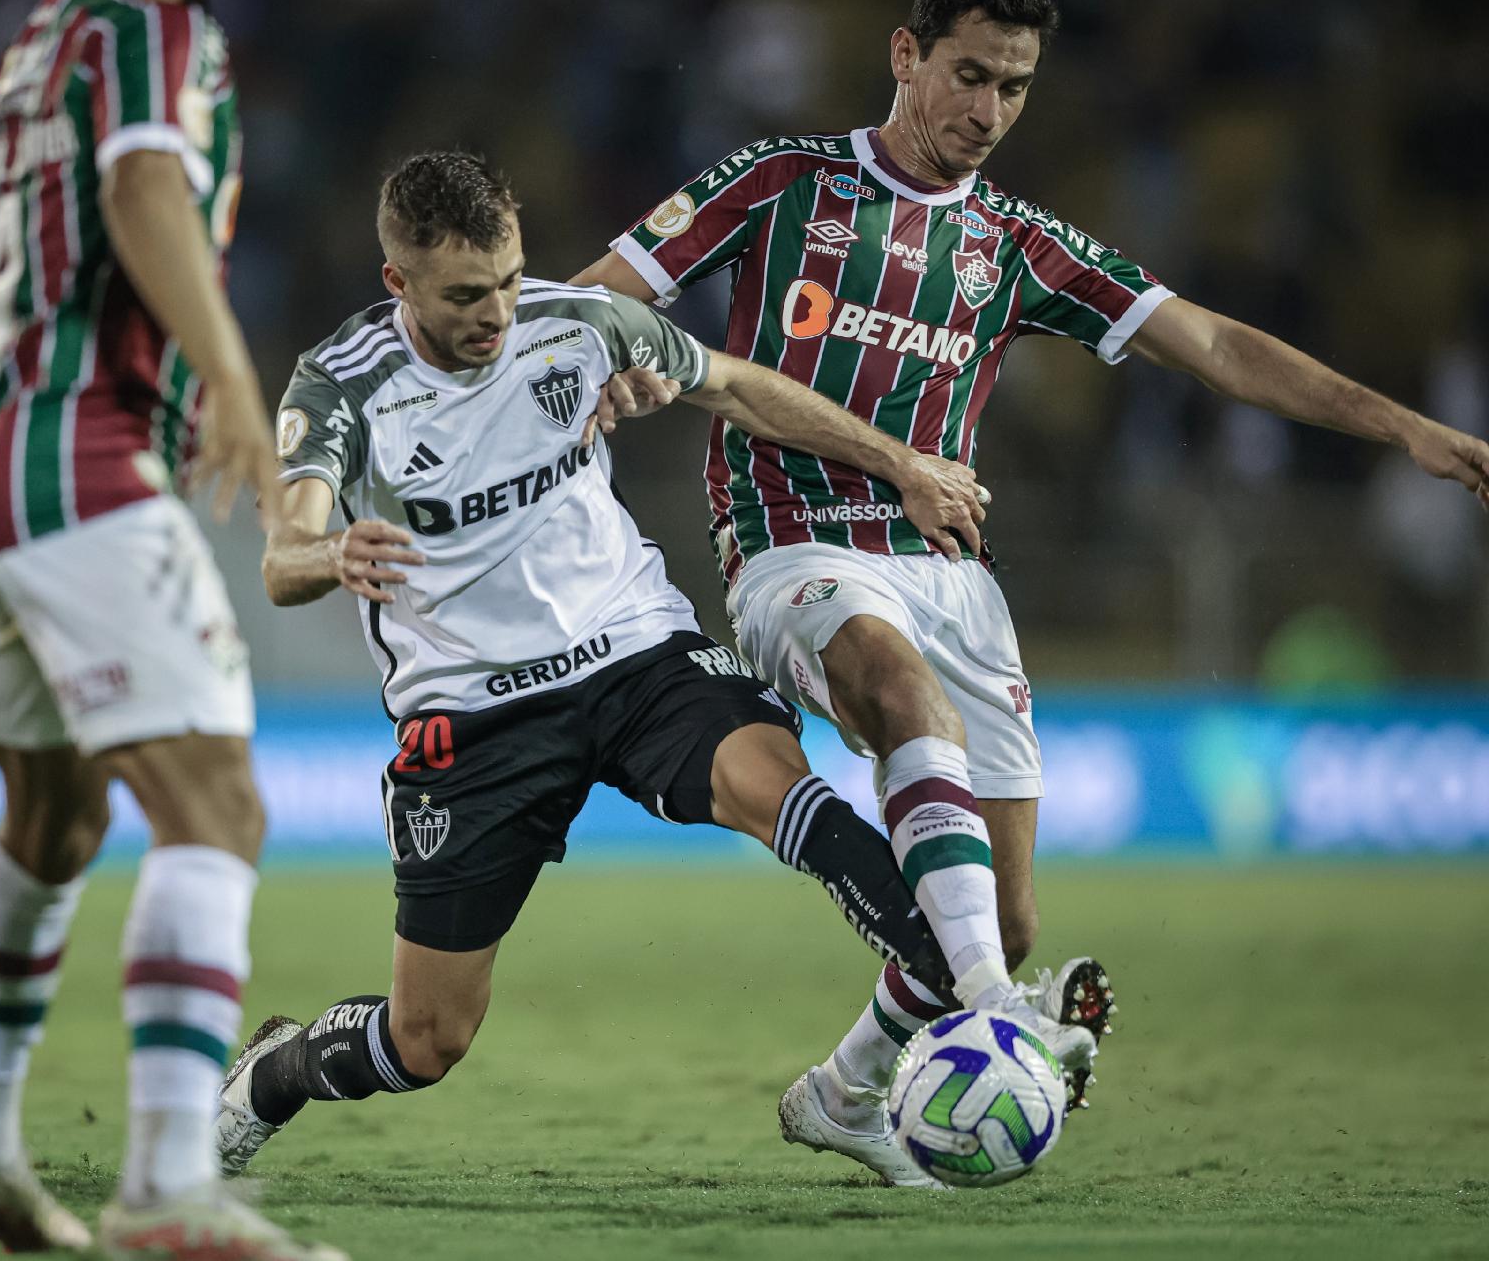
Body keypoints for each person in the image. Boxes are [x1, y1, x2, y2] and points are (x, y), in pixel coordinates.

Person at [571, 0, 1489, 1187]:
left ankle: (847, 1093)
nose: (990, 107)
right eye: (969, 74)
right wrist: (604, 362)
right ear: (905, 56)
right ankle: (1001, 1018)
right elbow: (593, 293)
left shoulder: (1017, 243)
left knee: (997, 921)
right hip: (794, 542)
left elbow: (1208, 343)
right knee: (901, 699)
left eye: (1015, 85)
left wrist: (1400, 425)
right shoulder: (784, 182)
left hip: (953, 571)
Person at [209, 150, 1098, 1186]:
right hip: (474, 717)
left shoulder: (574, 322)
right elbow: (282, 558)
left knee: (780, 784)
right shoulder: (344, 382)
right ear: (396, 283)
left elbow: (743, 391)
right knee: (425, 1041)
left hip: (634, 652)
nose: (497, 311)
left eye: (506, 278)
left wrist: (901, 464)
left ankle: (984, 994)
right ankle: (274, 1073)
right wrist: (330, 554)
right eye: (464, 295)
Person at [0, 0, 341, 1257]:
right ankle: (164, 1184)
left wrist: (40, 338)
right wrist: (227, 378)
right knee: (217, 809)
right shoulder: (149, 34)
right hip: (82, 468)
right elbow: (145, 194)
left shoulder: (7, 74)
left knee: (54, 820)